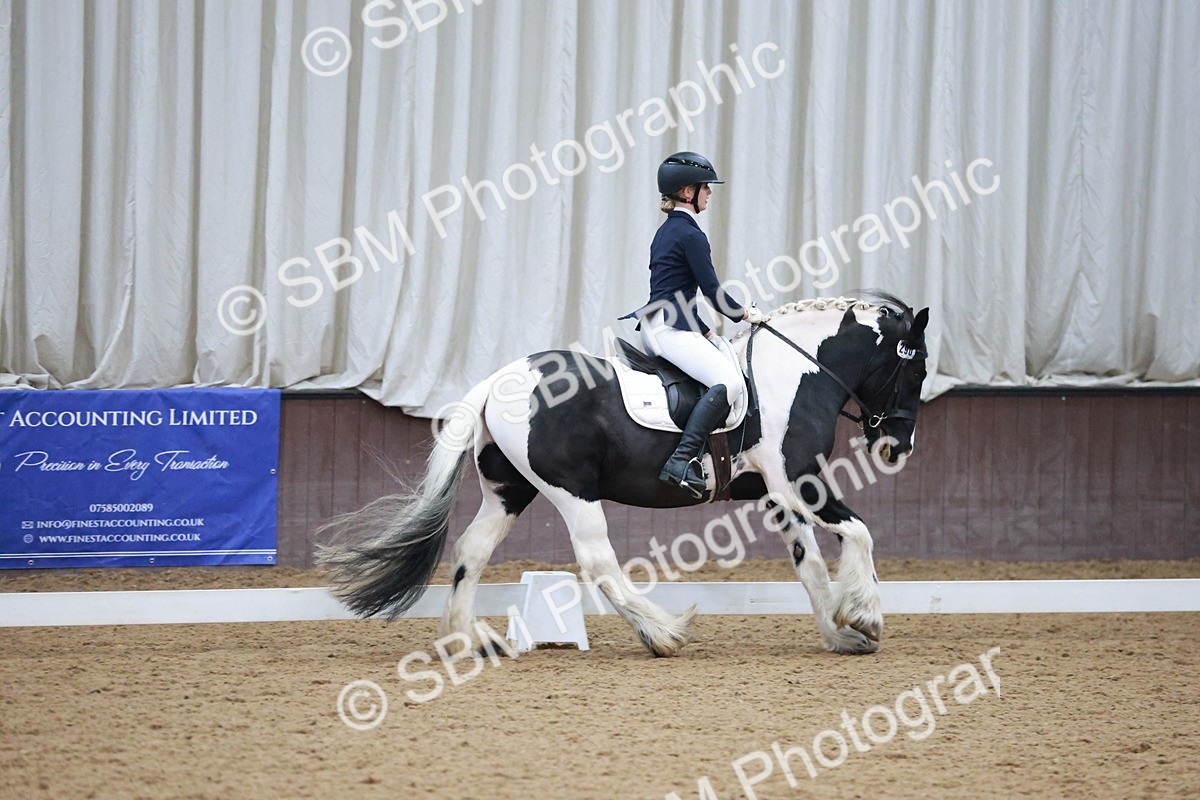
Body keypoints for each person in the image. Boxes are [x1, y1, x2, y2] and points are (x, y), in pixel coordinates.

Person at [621, 152, 767, 498]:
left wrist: (703, 330)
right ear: (688, 192)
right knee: (730, 382)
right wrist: (746, 314)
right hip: (670, 330)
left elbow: (674, 290)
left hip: (658, 326)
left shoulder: (666, 231)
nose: (710, 193)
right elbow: (712, 292)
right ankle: (681, 460)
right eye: (706, 187)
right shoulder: (691, 234)